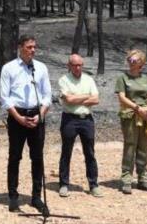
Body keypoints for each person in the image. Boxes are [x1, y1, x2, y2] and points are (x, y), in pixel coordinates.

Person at [0, 35, 52, 214]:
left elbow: (47, 96)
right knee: (15, 156)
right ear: (20, 47)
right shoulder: (9, 68)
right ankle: (13, 196)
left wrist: (40, 115)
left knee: (37, 158)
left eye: (34, 47)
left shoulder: (41, 68)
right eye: (29, 47)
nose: (33, 50)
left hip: (37, 115)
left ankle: (36, 196)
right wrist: (18, 118)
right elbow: (5, 98)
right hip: (17, 116)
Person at [57, 53, 102, 198]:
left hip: (86, 120)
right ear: (69, 66)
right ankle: (64, 184)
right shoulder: (63, 80)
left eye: (80, 65)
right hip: (70, 119)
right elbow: (68, 99)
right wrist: (85, 97)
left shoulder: (89, 79)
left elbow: (96, 100)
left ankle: (93, 184)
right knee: (66, 152)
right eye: (74, 65)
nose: (77, 67)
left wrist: (76, 98)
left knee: (90, 152)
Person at [114, 49, 147, 194]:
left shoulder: (145, 79)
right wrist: (138, 108)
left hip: (145, 115)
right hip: (130, 115)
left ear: (141, 62)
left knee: (144, 147)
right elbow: (122, 97)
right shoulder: (123, 78)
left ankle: (143, 178)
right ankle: (126, 179)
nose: (131, 63)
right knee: (130, 146)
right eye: (129, 60)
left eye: (134, 60)